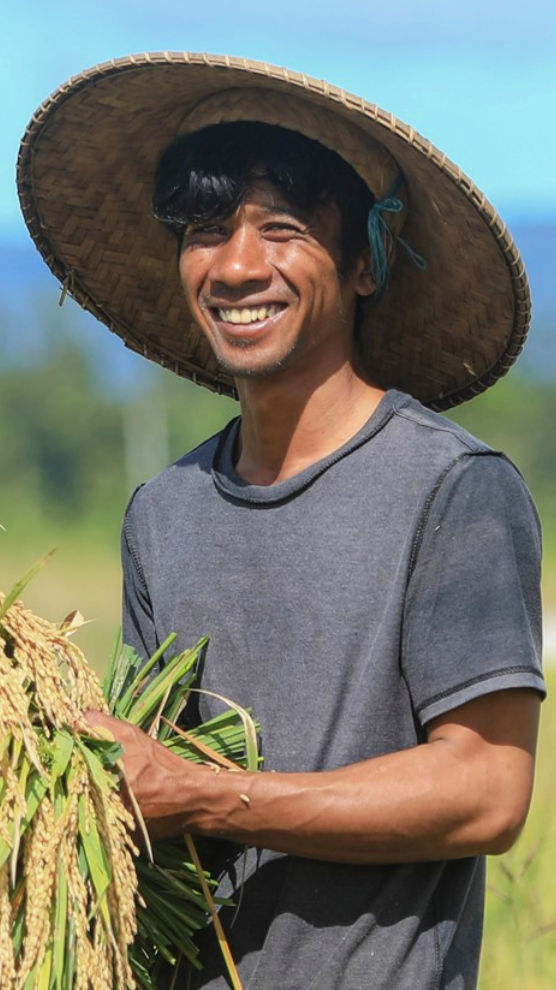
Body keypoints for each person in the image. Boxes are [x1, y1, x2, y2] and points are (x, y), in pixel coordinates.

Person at [18, 53, 545, 990]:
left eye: (283, 229)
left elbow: (485, 792)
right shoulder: (164, 512)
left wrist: (208, 797)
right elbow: (149, 781)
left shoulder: (453, 489)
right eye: (205, 230)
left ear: (363, 264)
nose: (236, 266)